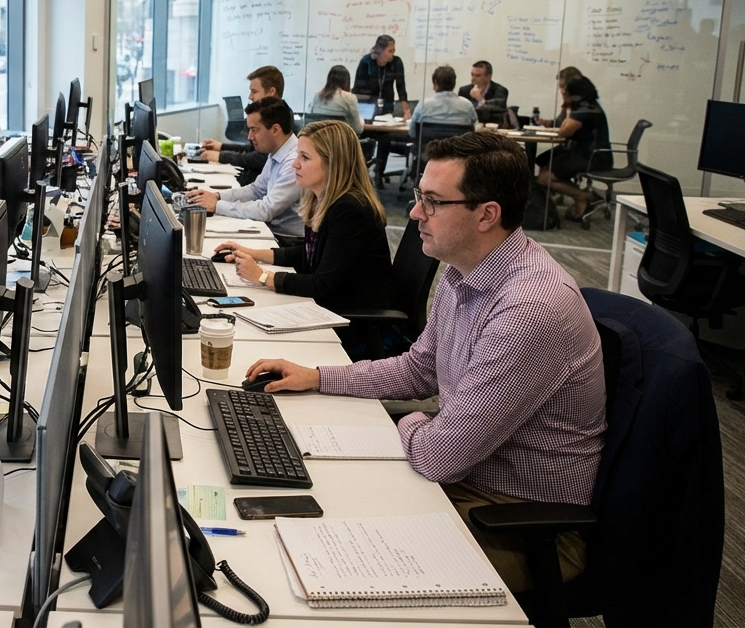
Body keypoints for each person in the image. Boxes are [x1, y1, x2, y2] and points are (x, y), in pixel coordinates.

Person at [242, 130, 606, 595]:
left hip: (517, 520)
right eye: (419, 197)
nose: (415, 213)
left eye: (432, 202)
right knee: (307, 506)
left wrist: (413, 421)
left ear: (487, 215)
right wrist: (316, 376)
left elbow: (438, 457)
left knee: (334, 561)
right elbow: (419, 369)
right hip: (465, 477)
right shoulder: (464, 271)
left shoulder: (529, 308)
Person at [213, 120, 392, 319]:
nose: (294, 164)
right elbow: (310, 253)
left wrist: (262, 276)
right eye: (298, 154)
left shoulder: (351, 210)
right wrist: (253, 253)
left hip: (352, 317)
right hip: (331, 305)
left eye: (304, 157)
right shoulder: (322, 198)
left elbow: (323, 285)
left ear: (333, 164)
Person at [185, 96, 303, 241]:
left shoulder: (293, 161)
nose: (249, 137)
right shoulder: (277, 151)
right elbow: (256, 190)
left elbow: (266, 210)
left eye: (254, 130)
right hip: (272, 232)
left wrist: (217, 205)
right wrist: (217, 196)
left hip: (287, 241)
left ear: (275, 130)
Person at [536, 73, 611, 222]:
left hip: (593, 157)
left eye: (565, 90)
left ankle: (583, 197)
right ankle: (581, 195)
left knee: (545, 178)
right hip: (583, 153)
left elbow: (565, 130)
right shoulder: (587, 105)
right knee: (543, 160)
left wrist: (567, 107)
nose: (563, 92)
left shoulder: (586, 109)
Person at [200, 65, 282, 184]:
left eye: (254, 91)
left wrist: (221, 156)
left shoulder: (280, 120)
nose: (250, 96)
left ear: (271, 92)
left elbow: (260, 158)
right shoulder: (269, 116)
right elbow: (251, 149)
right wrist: (221, 147)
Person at [408, 65, 477, 140]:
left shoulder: (423, 105)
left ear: (435, 83)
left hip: (429, 147)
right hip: (458, 147)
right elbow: (475, 130)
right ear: (454, 83)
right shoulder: (467, 105)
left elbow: (412, 133)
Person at [352, 34, 411, 120]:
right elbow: (358, 89)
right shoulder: (366, 62)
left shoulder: (396, 62)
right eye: (390, 51)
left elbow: (401, 87)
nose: (392, 54)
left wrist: (406, 111)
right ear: (380, 50)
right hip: (368, 106)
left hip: (387, 105)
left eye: (393, 51)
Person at [304, 65, 363, 134]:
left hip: (319, 138)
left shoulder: (317, 96)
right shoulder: (349, 97)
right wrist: (362, 121)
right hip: (339, 139)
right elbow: (358, 129)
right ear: (347, 81)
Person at [457, 60, 509, 125]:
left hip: (491, 127)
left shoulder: (500, 91)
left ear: (488, 77)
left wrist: (480, 99)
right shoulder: (464, 90)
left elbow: (498, 112)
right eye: (472, 75)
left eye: (478, 76)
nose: (473, 78)